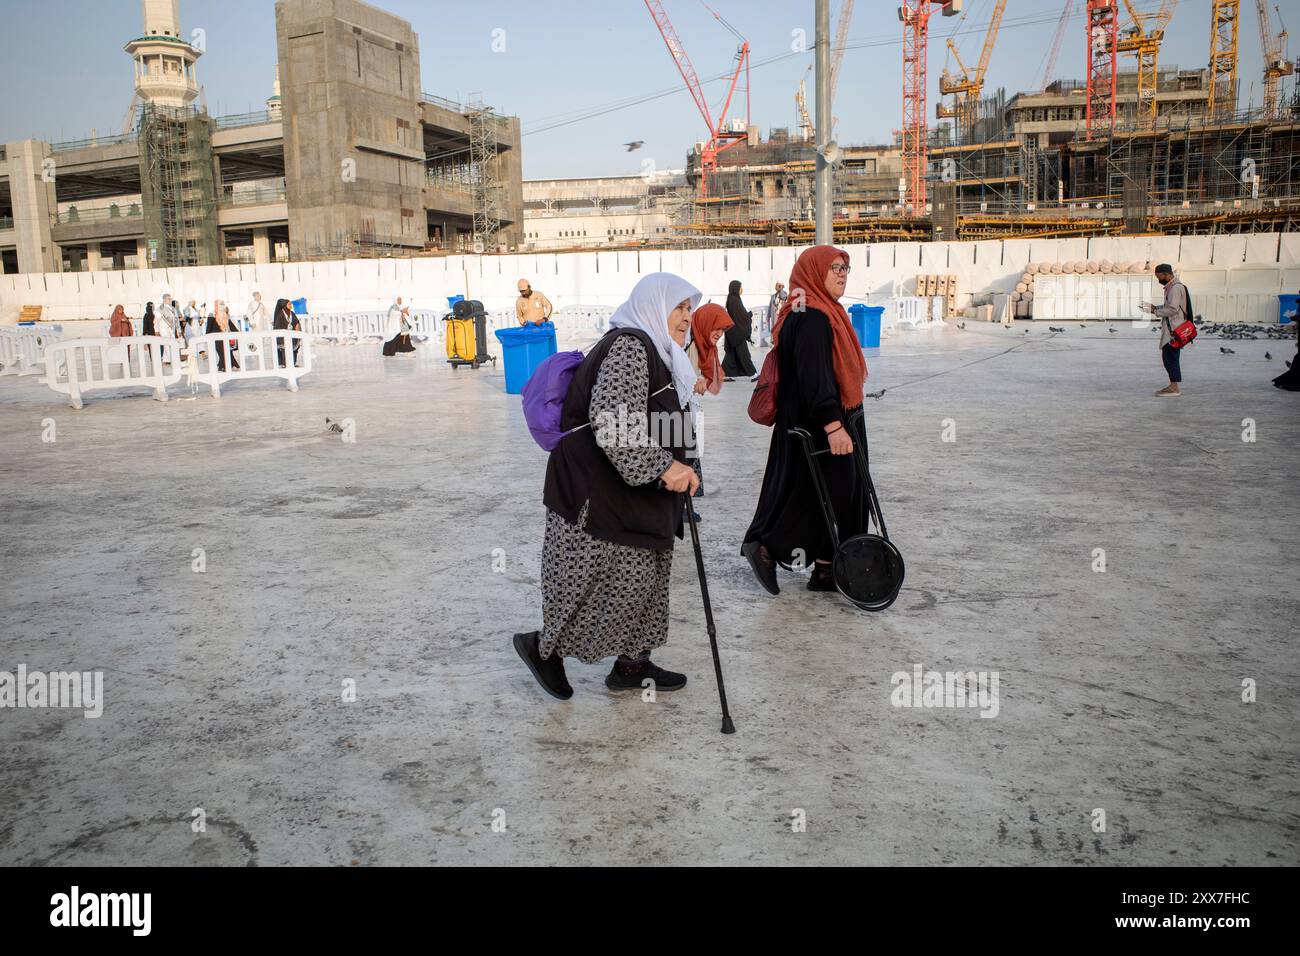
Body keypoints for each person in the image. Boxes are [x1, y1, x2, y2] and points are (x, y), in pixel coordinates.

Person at [513, 272, 702, 701]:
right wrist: (661, 467)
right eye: (679, 306)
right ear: (654, 305)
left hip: (639, 495)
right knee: (588, 581)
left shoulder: (663, 354)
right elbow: (613, 420)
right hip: (593, 495)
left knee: (644, 580)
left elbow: (672, 417)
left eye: (690, 308)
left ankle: (633, 664)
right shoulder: (630, 346)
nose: (687, 317)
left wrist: (688, 469)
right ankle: (545, 650)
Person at [742, 245, 868, 596]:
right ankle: (769, 547)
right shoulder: (813, 317)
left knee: (827, 491)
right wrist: (833, 425)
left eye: (846, 268)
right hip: (821, 425)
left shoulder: (813, 311)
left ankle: (827, 568)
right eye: (835, 268)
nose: (842, 273)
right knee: (832, 493)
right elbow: (815, 378)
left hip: (815, 422)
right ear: (814, 271)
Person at [682, 302, 734, 518]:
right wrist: (696, 382)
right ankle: (680, 507)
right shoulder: (688, 343)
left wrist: (699, 381)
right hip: (677, 409)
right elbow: (678, 377)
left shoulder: (701, 344)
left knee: (688, 452)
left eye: (723, 330)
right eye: (717, 328)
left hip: (686, 408)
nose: (720, 334)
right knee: (682, 454)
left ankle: (683, 505)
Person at [1140, 263, 1191, 397]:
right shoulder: (1172, 287)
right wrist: (1155, 307)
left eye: (1159, 276)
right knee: (1168, 357)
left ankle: (1175, 388)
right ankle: (1173, 385)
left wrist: (1156, 311)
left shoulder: (1175, 288)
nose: (1159, 280)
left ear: (1166, 274)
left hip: (1174, 329)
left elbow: (1173, 309)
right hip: (1172, 328)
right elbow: (1170, 305)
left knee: (1171, 358)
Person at [721, 279, 757, 380]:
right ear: (736, 288)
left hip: (733, 331)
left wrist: (746, 315)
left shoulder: (732, 299)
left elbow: (738, 315)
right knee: (744, 354)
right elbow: (741, 316)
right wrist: (748, 315)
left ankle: (724, 374)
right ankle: (753, 374)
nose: (741, 289)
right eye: (740, 287)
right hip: (737, 332)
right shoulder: (734, 300)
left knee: (731, 355)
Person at [206, 299, 240, 372]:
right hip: (216, 337)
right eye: (220, 304)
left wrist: (238, 333)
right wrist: (207, 337)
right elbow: (208, 327)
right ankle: (223, 366)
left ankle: (225, 365)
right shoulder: (212, 315)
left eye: (223, 304)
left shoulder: (225, 314)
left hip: (225, 336)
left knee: (227, 351)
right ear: (216, 305)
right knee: (222, 352)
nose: (222, 306)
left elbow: (230, 325)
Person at [273, 298, 302, 366]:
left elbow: (296, 322)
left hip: (292, 335)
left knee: (295, 348)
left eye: (291, 304)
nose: (291, 305)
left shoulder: (292, 313)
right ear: (284, 305)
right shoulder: (280, 315)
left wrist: (298, 329)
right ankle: (284, 364)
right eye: (289, 304)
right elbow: (277, 327)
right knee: (284, 350)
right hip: (283, 336)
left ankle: (293, 363)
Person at [764, 281, 788, 347]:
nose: (776, 287)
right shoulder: (773, 296)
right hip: (774, 317)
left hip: (781, 317)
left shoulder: (785, 294)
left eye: (778, 285)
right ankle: (774, 342)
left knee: (780, 330)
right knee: (774, 330)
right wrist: (767, 317)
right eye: (776, 285)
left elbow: (783, 297)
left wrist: (781, 290)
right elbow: (770, 307)